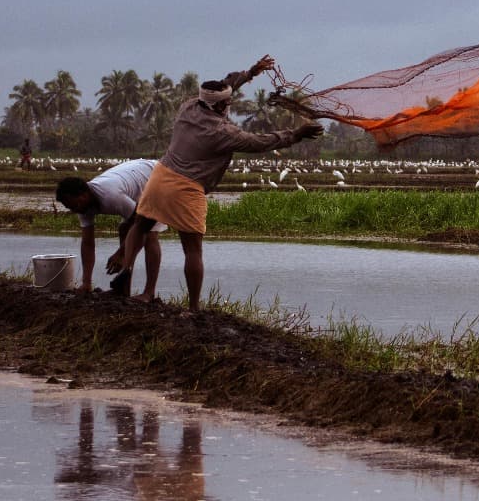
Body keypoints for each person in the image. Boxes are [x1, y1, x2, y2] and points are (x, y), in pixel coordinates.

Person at [114, 55, 324, 311]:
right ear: (221, 106)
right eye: (228, 103)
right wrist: (295, 134)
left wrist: (251, 72)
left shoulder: (188, 107)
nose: (230, 104)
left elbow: (227, 84)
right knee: (192, 249)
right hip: (187, 187)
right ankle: (193, 309)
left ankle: (129, 274)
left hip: (160, 175)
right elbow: (257, 143)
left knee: (141, 224)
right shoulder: (222, 133)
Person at [54, 159, 165, 297]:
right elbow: (88, 244)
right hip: (136, 176)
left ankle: (149, 293)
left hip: (156, 176)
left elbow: (140, 224)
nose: (74, 210)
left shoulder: (110, 195)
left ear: (83, 194)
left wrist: (120, 254)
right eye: (70, 208)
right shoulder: (82, 206)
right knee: (124, 228)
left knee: (150, 233)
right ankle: (123, 290)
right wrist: (86, 283)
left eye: (74, 205)